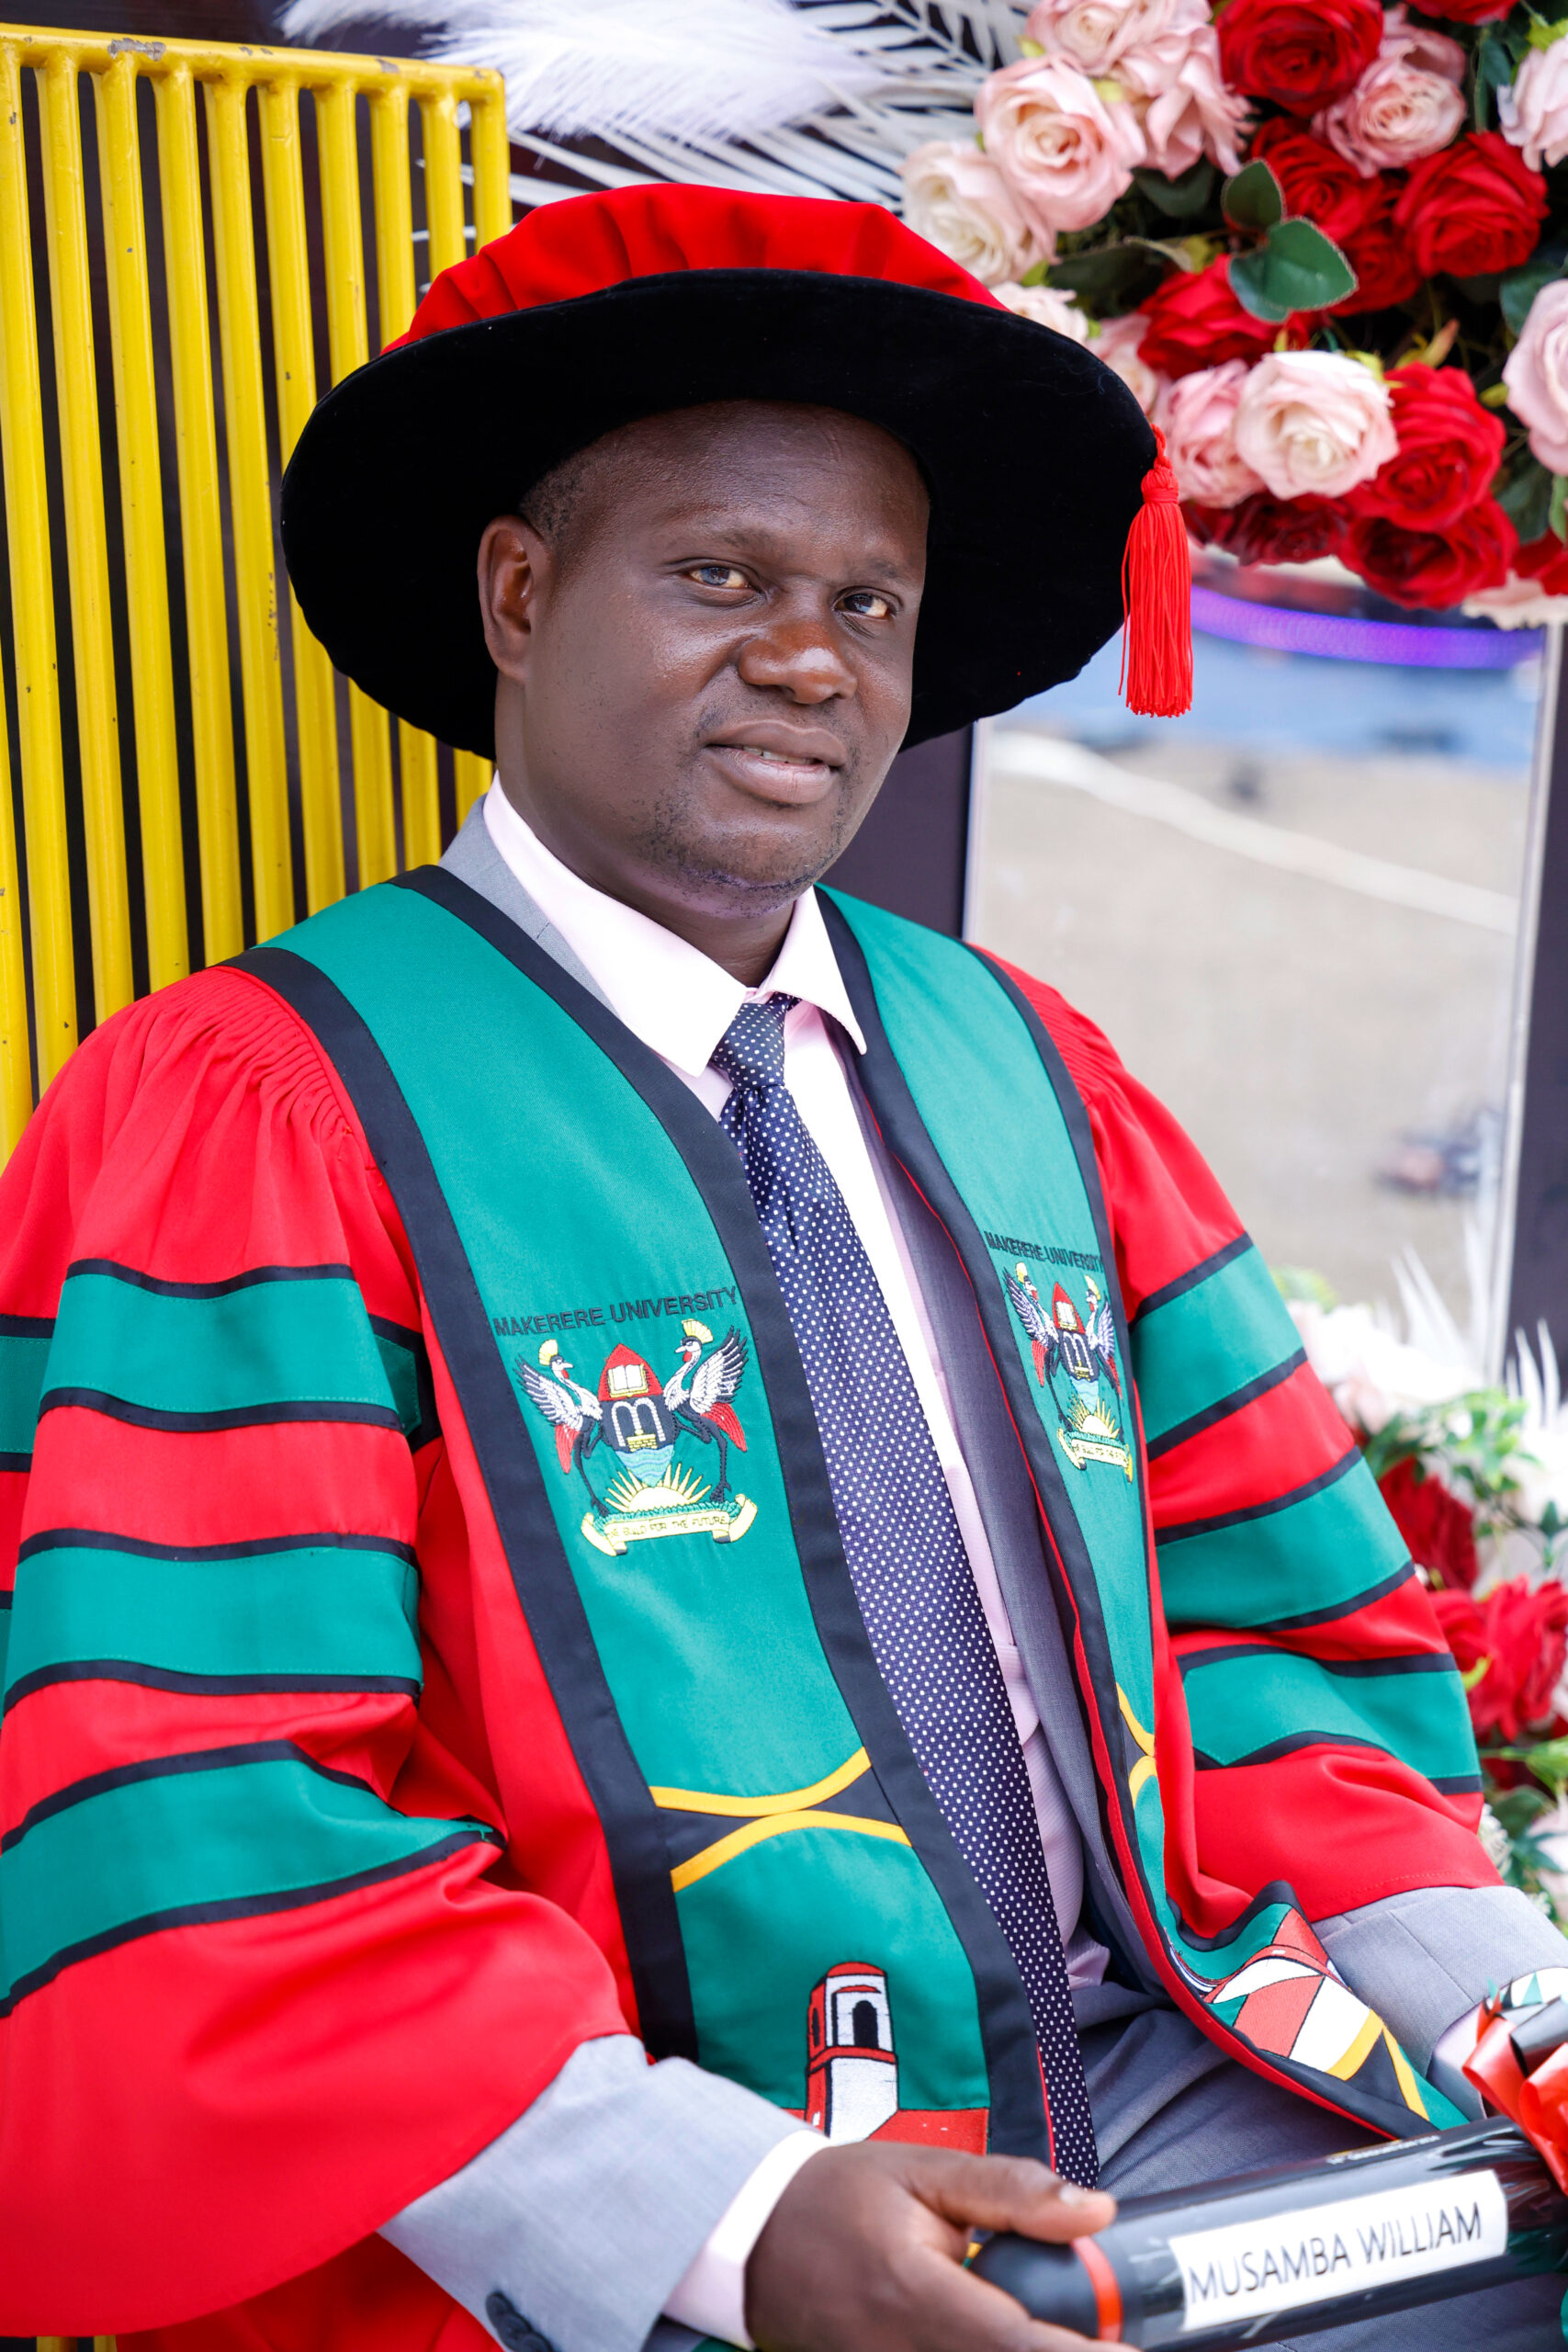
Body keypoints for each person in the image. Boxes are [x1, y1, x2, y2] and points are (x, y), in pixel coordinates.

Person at [1, 184, 1563, 2352]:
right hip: (625, 2168)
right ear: (519, 594)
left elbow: (1267, 1639)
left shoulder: (1030, 1073)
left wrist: (1514, 2006)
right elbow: (221, 1797)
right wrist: (725, 2219)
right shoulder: (268, 1109)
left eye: (865, 600)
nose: (809, 659)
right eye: (719, 576)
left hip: (1169, 2071)